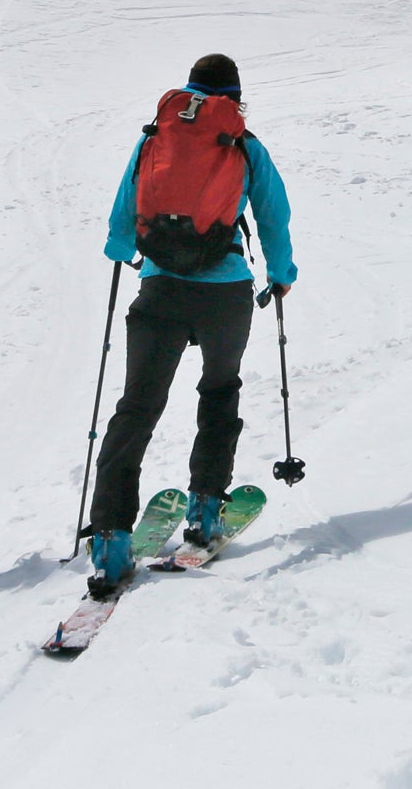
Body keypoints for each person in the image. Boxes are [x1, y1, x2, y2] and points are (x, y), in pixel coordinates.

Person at [85, 54, 294, 596]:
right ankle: (204, 510)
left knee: (137, 406)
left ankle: (109, 540)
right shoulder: (245, 146)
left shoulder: (156, 136)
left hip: (161, 290)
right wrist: (282, 272)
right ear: (234, 97)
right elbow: (273, 215)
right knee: (220, 391)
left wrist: (124, 251)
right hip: (225, 294)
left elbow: (125, 206)